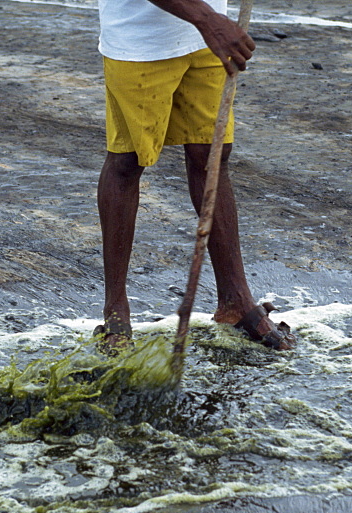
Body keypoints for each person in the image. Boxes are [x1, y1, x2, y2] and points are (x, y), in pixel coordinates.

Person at [95, 0, 296, 352]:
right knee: (127, 161)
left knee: (212, 156)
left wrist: (211, 24)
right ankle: (116, 312)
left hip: (208, 41)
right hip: (141, 41)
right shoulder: (204, 26)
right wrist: (208, 21)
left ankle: (235, 300)